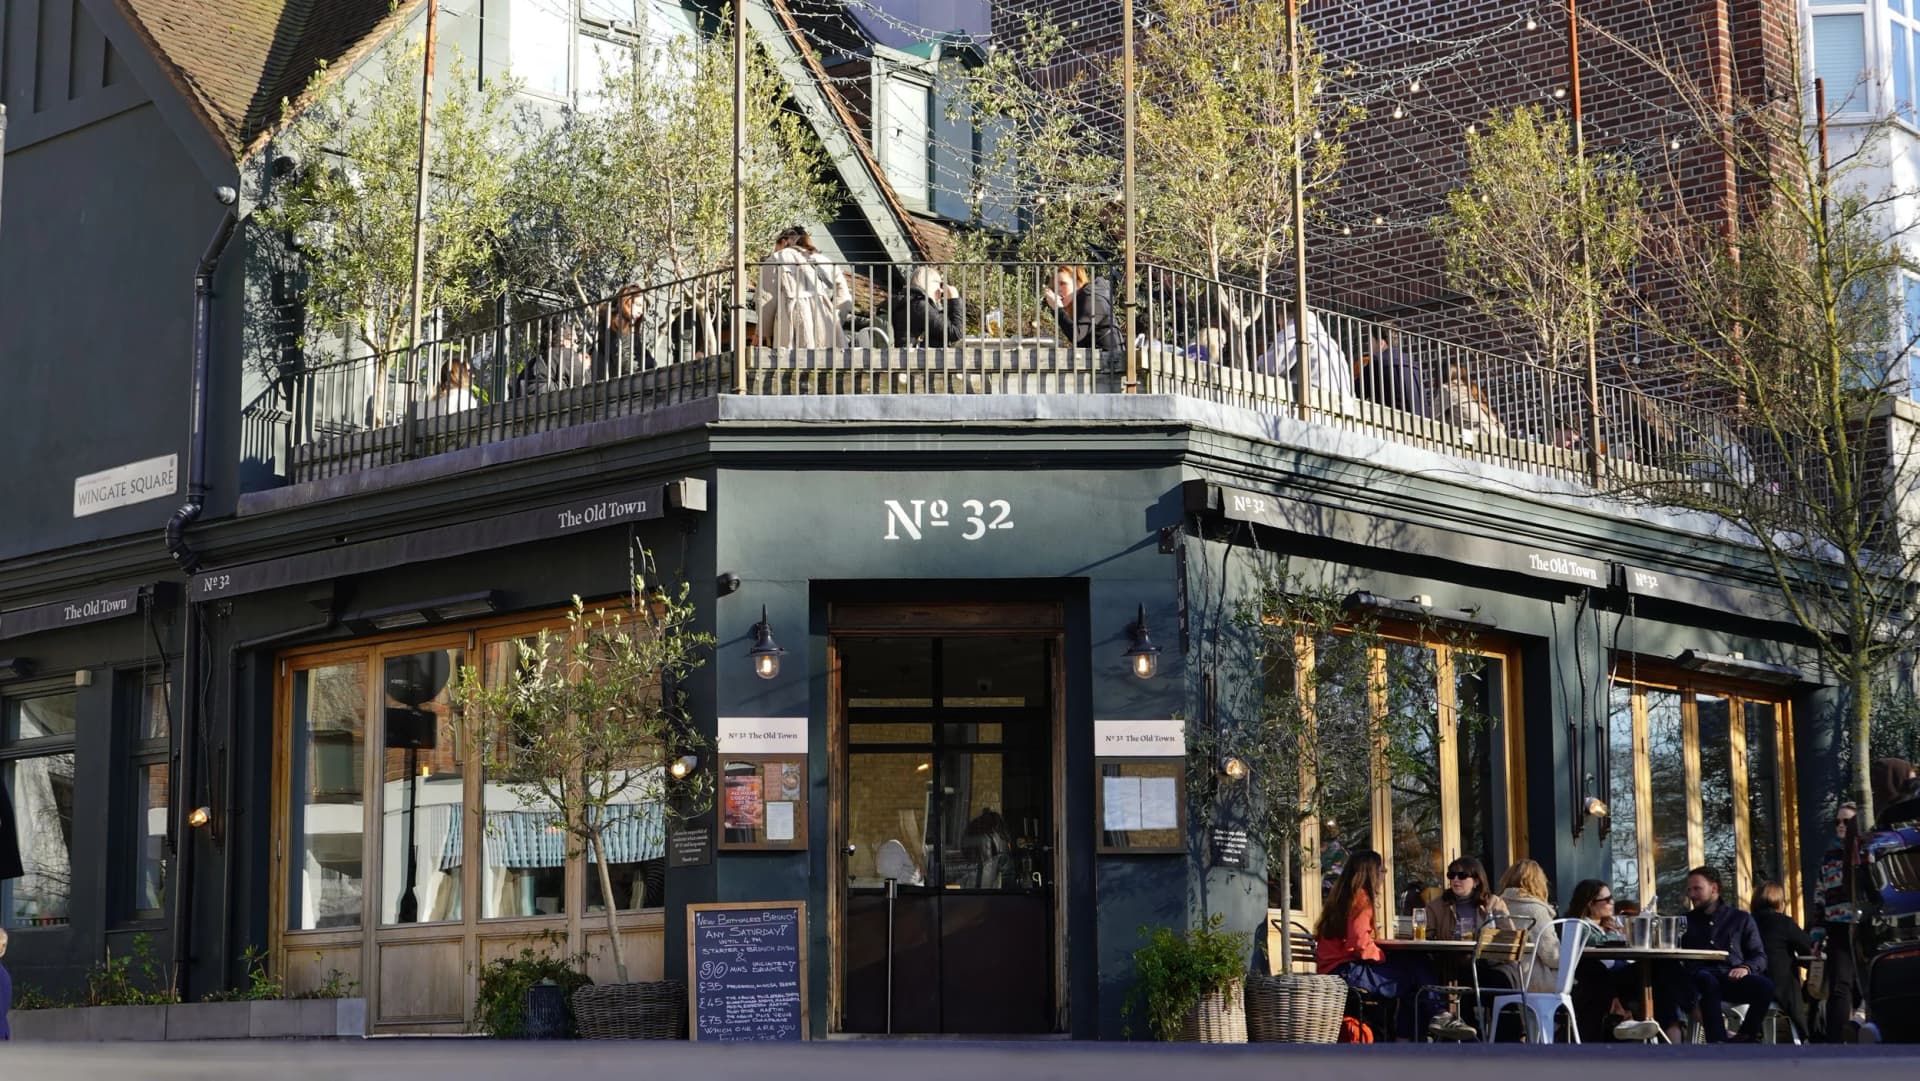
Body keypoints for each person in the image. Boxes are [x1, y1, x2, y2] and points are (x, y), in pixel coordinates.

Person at [1314, 849, 1430, 1039]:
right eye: (1381, 870)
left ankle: (1413, 1031)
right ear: (1371, 873)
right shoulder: (1362, 899)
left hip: (1332, 970)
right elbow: (1359, 943)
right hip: (1347, 973)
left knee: (1414, 968)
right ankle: (1416, 1032)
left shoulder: (1341, 899)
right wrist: (1381, 955)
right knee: (1416, 974)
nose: (1384, 874)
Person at [1655, 865, 1772, 1042]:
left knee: (1765, 986)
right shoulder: (1684, 921)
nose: (1691, 895)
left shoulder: (1740, 918)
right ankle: (1718, 1041)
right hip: (1697, 981)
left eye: (1697, 889)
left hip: (1730, 977)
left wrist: (1747, 968)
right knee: (1707, 980)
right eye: (1689, 889)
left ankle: (1745, 1036)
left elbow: (1760, 956)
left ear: (1714, 888)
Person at [1422, 857, 1512, 1039]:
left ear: (1477, 880)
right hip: (1450, 966)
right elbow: (1426, 936)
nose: (1455, 879)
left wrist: (1493, 925)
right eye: (1451, 875)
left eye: (1462, 875)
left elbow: (1509, 937)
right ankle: (1467, 1035)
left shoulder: (1493, 903)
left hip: (1485, 964)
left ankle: (1506, 1039)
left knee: (1502, 983)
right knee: (1462, 979)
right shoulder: (1437, 905)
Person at [1565, 879, 1638, 1041]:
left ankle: (1635, 1020)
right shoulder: (1581, 925)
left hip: (1613, 974)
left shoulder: (1606, 926)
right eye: (1606, 900)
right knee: (1601, 974)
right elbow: (1594, 941)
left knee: (1658, 971)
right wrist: (1615, 933)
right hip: (1594, 976)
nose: (1612, 902)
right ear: (1590, 904)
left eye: (1612, 897)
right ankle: (1626, 1018)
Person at [757, 225, 851, 350]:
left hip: (793, 318)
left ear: (784, 242)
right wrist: (835, 318)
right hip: (825, 320)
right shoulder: (824, 261)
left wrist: (762, 333)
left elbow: (766, 299)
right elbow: (844, 296)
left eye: (776, 246)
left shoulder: (778, 258)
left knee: (794, 362)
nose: (775, 250)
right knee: (827, 363)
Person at [1818, 801, 1863, 1042]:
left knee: (1865, 984)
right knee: (1839, 985)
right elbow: (1819, 894)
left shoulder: (1865, 851)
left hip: (1865, 925)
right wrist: (1816, 933)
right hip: (1836, 924)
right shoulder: (1829, 856)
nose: (1841, 826)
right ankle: (1835, 1042)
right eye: (1837, 821)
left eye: (1847, 821)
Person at [1751, 880, 1813, 1039]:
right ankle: (1808, 1035)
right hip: (1781, 989)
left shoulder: (1746, 922)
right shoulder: (1784, 923)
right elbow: (1809, 949)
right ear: (1780, 902)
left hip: (1752, 988)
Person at [1256, 310, 1355, 400]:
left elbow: (1272, 367)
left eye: (1279, 322)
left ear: (1286, 319)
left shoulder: (1295, 331)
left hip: (1314, 398)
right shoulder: (1329, 342)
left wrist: (1259, 362)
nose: (1279, 326)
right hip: (1341, 400)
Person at [1495, 859, 1561, 992]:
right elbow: (1552, 957)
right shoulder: (1536, 910)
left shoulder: (1497, 906)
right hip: (1531, 980)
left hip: (1503, 977)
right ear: (1540, 883)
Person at [1357, 321, 1427, 416]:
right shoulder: (1412, 363)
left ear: (1381, 343)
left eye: (1371, 341)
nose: (1369, 346)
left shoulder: (1378, 361)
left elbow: (1357, 391)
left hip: (1394, 422)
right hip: (1421, 421)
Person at [1046, 265, 1119, 353]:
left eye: (1063, 283)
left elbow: (1077, 335)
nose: (1058, 290)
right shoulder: (1081, 300)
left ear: (1078, 283)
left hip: (1110, 361)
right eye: (1055, 286)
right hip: (1099, 359)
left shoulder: (1091, 299)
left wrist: (1058, 309)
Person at [890, 265, 967, 347]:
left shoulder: (905, 303)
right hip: (912, 358)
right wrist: (954, 299)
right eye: (940, 284)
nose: (941, 290)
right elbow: (956, 333)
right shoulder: (919, 306)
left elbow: (943, 324)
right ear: (928, 283)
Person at [1438, 360, 1506, 437]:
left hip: (1480, 434)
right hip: (1498, 435)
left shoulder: (1447, 389)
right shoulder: (1471, 389)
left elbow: (1433, 417)